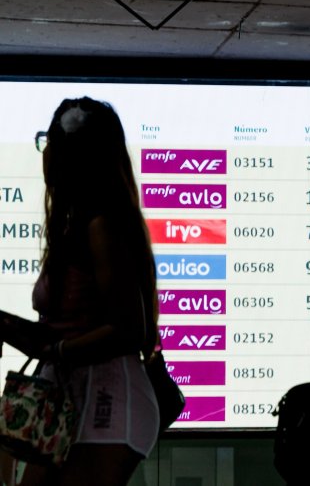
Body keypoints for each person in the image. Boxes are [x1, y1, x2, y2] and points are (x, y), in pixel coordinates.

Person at [0, 98, 160, 486]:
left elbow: (128, 330)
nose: (46, 153)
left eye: (47, 141)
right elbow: (57, 334)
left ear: (70, 155)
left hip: (108, 400)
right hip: (75, 398)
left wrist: (55, 351)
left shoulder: (100, 227)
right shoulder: (81, 225)